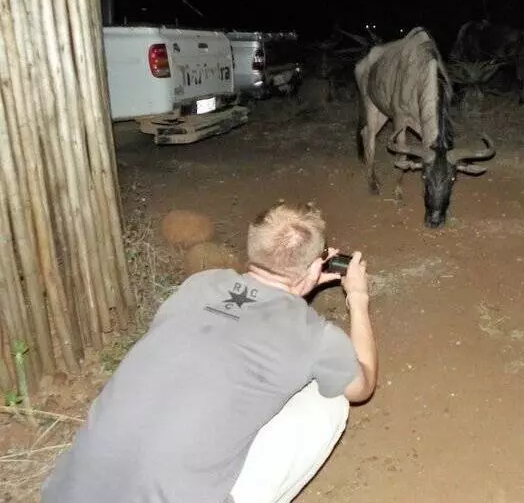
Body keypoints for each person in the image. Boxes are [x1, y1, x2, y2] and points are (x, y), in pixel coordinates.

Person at [41, 202, 378, 503]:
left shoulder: (198, 286)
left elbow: (244, 316)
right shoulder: (314, 336)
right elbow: (362, 387)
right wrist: (357, 298)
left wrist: (297, 285)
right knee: (330, 400)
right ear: (314, 269)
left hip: (67, 493)